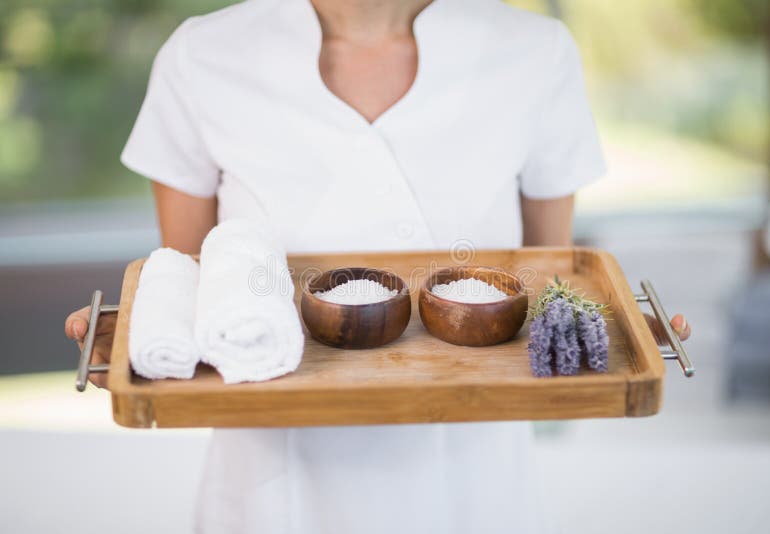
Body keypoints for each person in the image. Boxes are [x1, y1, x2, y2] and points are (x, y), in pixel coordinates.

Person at [65, 0, 692, 532]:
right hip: (274, 490)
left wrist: (611, 334)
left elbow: (551, 282)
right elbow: (189, 285)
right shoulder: (203, 56)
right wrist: (141, 343)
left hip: (474, 488)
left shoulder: (535, 53)